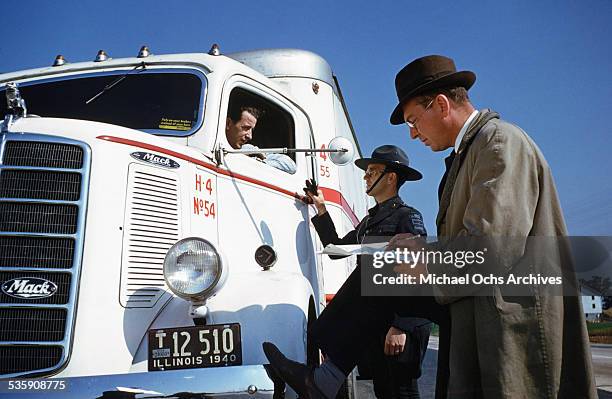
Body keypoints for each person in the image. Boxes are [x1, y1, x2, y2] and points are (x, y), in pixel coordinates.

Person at [387, 55, 596, 398]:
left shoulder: (498, 143)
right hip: (481, 317)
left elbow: (491, 249)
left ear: (440, 105)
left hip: (511, 330)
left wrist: (423, 258)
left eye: (413, 120)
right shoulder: (472, 151)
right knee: (376, 272)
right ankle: (328, 367)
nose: (412, 134)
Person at [263, 145, 450, 399]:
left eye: (372, 171)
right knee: (384, 389)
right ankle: (318, 379)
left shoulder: (408, 217)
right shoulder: (370, 221)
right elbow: (337, 249)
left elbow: (414, 272)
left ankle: (319, 382)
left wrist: (401, 326)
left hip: (400, 319)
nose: (366, 176)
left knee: (401, 390)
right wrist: (321, 208)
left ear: (391, 177)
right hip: (376, 320)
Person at [225, 104, 296, 174]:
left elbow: (291, 165)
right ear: (228, 123)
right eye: (246, 128)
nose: (250, 136)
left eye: (251, 130)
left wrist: (261, 163)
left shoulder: (249, 149)